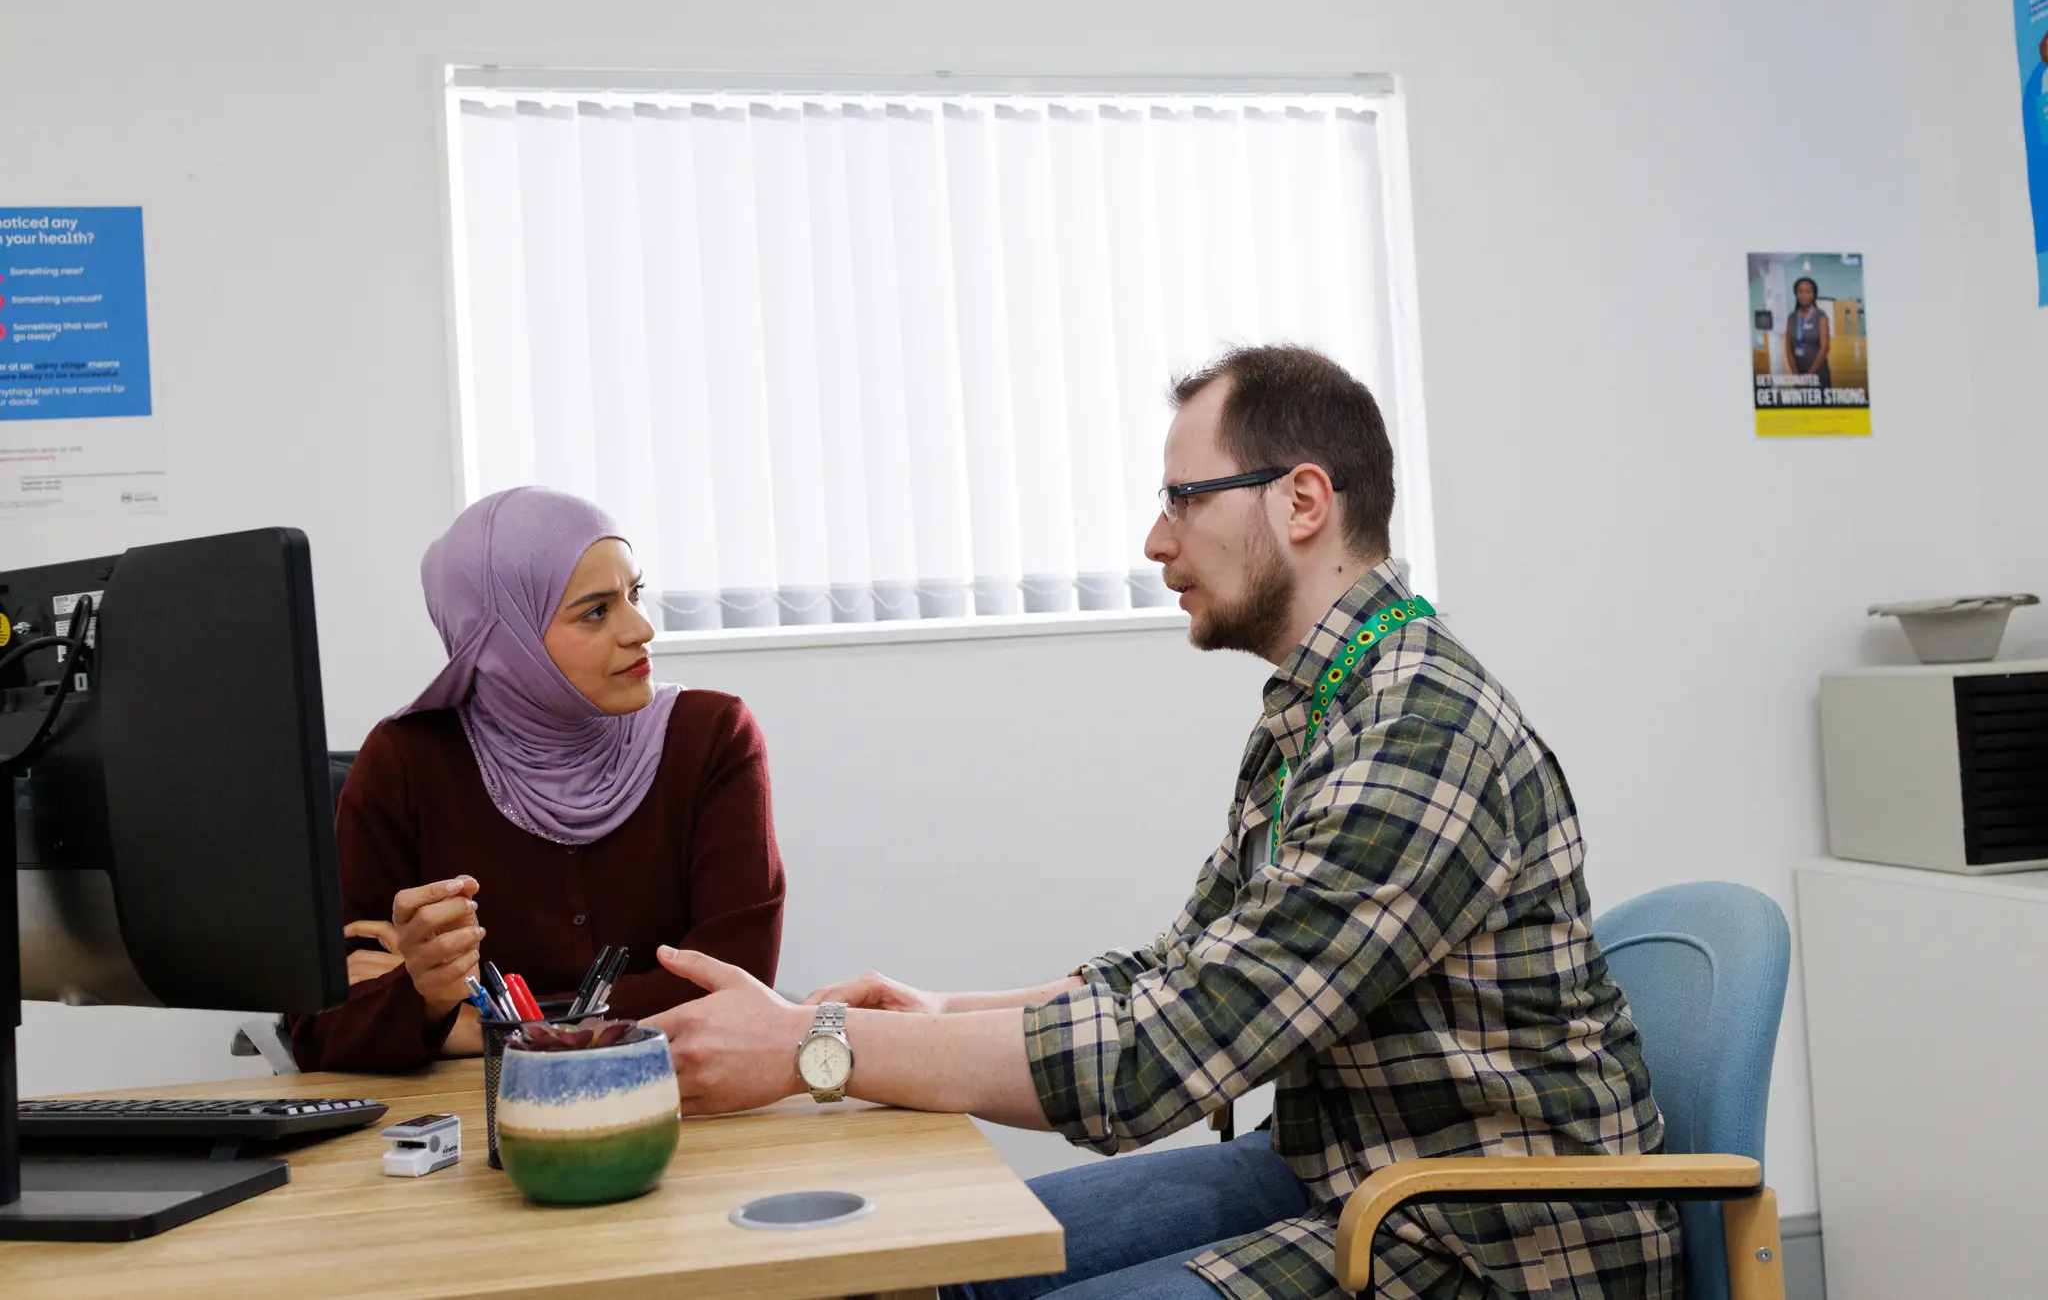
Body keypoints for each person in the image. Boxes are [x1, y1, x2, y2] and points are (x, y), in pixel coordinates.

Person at [642, 346, 1677, 1299]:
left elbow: (1157, 1060)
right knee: (945, 1269)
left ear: (1302, 500)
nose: (1155, 538)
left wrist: (815, 1046)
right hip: (1345, 1175)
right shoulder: (1320, 708)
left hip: (1488, 1245)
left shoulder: (1420, 733)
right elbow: (1177, 971)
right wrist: (937, 1010)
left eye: (1184, 497)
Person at [292, 486, 785, 1070]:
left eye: (635, 594)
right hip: (482, 1126)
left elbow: (734, 986)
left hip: (681, 1105)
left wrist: (476, 1020)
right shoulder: (404, 762)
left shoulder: (711, 738)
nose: (641, 629)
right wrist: (427, 999)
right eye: (597, 611)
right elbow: (322, 1028)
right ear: (502, 639)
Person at [1784, 276, 1831, 391]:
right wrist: (1795, 374)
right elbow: (1788, 348)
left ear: (1814, 295)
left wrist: (1810, 374)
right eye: (1800, 291)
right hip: (1799, 374)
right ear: (1796, 294)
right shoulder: (1792, 317)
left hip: (1818, 373)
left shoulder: (1820, 316)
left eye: (1808, 291)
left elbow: (1824, 348)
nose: (1803, 295)